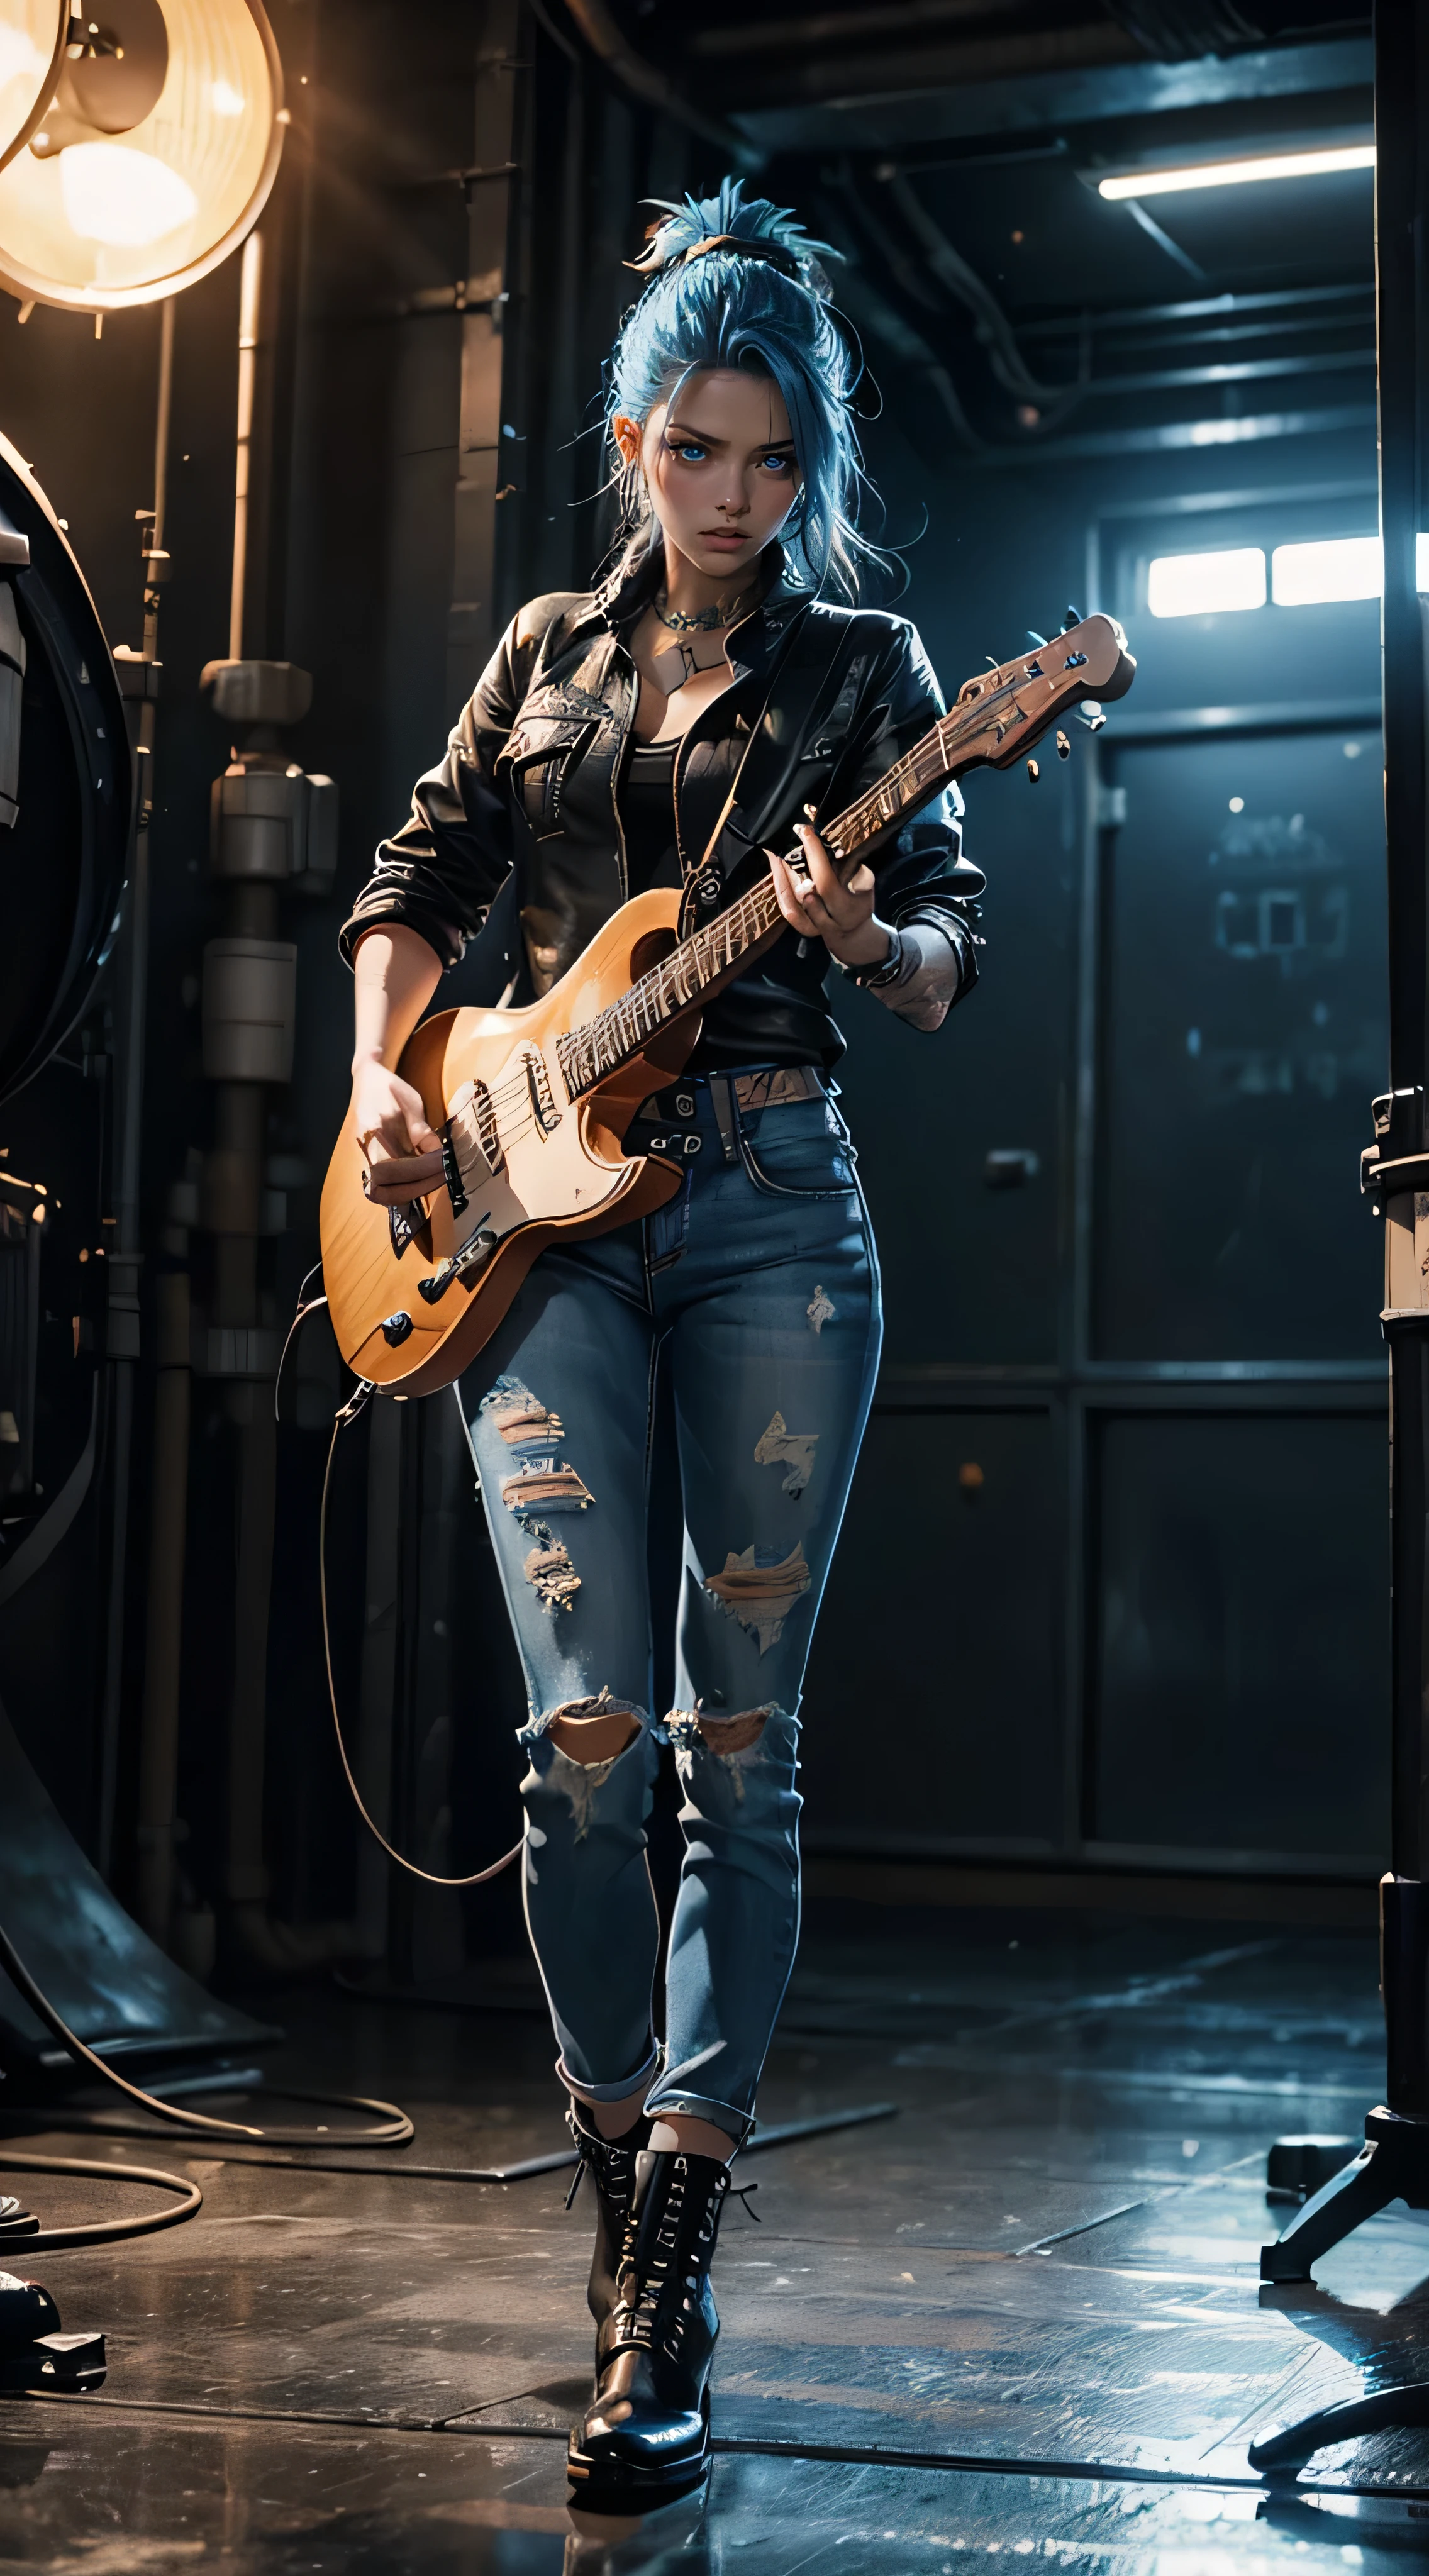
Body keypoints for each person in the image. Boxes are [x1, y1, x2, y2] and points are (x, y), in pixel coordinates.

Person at [339, 179, 983, 2507]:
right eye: (696, 450)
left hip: (779, 1213)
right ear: (632, 444)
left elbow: (944, 959)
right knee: (582, 1742)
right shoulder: (538, 658)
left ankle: (677, 2241)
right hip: (543, 1233)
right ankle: (618, 2177)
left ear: (811, 466)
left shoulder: (873, 673)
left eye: (775, 459)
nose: (734, 496)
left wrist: (863, 934)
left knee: (740, 1735)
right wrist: (390, 1096)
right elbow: (412, 891)